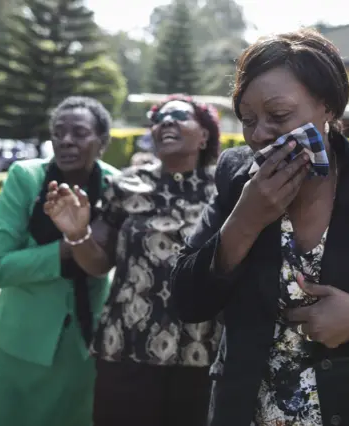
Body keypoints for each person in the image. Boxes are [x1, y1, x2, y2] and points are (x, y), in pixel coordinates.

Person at [170, 29, 349, 426]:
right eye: (248, 120)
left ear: (327, 106)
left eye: (279, 115)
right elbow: (186, 300)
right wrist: (244, 221)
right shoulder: (237, 177)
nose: (259, 134)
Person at [44, 94, 222, 426]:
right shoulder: (125, 185)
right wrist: (77, 233)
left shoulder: (226, 190)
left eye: (180, 115)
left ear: (205, 135)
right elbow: (99, 264)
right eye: (159, 118)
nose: (166, 122)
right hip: (126, 348)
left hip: (201, 351)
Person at [0, 96, 120, 426]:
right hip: (23, 345)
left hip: (86, 347)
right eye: (58, 133)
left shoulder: (118, 185)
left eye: (79, 132)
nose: (66, 140)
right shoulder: (25, 179)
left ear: (102, 142)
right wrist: (70, 245)